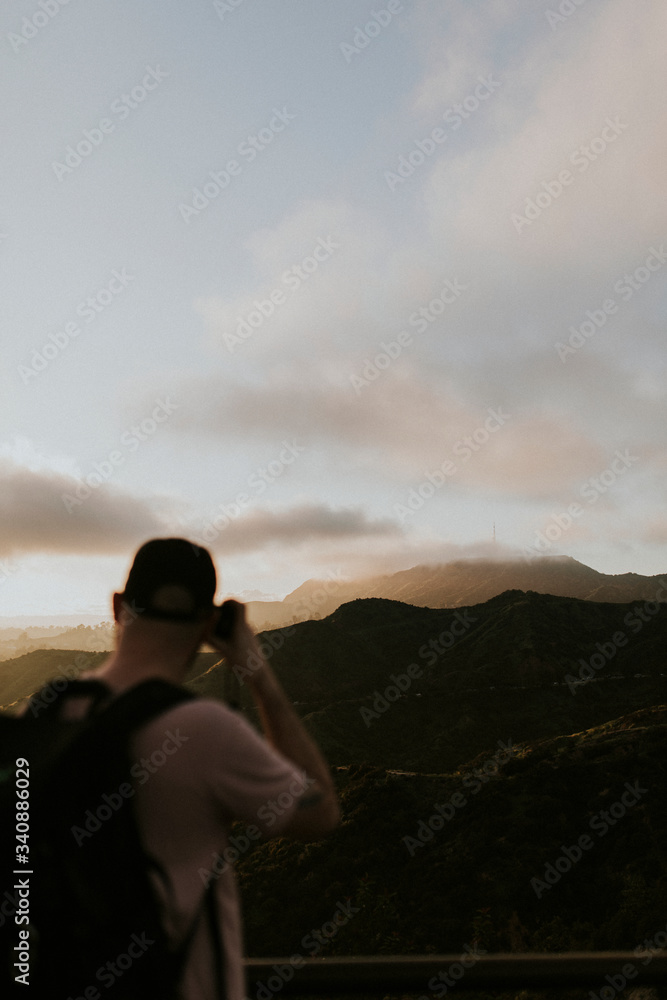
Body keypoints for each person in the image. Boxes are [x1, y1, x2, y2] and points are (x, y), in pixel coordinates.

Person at [71, 537, 341, 1000]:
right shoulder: (202, 730)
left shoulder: (44, 717)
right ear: (209, 624)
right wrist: (258, 675)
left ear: (118, 606)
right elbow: (320, 814)